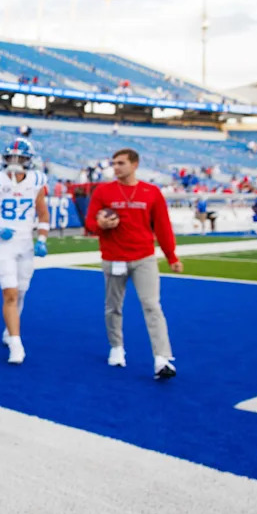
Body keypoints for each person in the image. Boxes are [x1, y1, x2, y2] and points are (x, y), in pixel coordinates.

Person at [84, 148, 181, 379]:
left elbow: (163, 226)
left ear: (134, 165)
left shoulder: (151, 192)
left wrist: (172, 256)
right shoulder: (104, 190)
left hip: (143, 257)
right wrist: (101, 226)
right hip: (113, 257)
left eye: (121, 163)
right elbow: (89, 221)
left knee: (152, 306)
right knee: (113, 307)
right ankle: (116, 347)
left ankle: (162, 358)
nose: (116, 167)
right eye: (114, 163)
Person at [0, 138, 50, 364]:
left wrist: (42, 238)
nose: (15, 162)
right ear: (5, 158)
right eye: (12, 157)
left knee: (22, 290)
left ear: (29, 160)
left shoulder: (36, 181)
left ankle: (9, 329)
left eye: (21, 158)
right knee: (11, 293)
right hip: (2, 243)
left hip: (25, 242)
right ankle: (16, 343)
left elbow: (43, 215)